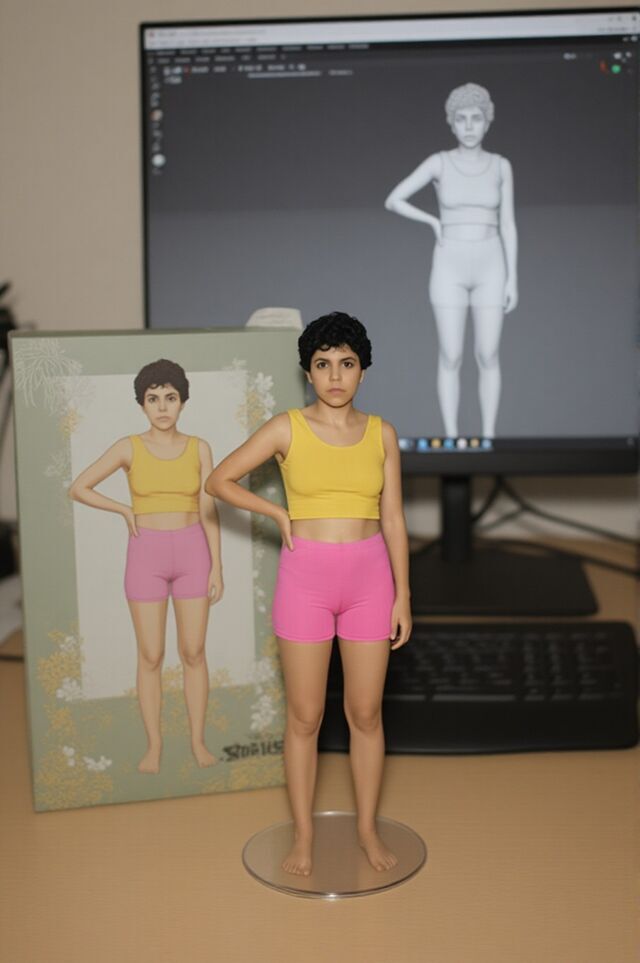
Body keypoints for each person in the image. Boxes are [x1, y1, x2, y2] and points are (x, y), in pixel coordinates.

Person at [206, 312, 411, 876]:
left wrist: (403, 595)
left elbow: (393, 518)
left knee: (365, 713)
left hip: (371, 580)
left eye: (347, 363)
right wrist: (276, 512)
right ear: (307, 372)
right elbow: (218, 480)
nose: (335, 375)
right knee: (304, 716)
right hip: (306, 581)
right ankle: (303, 834)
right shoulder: (286, 428)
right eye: (323, 364)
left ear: (363, 370)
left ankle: (366, 828)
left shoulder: (382, 433)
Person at [69, 359, 223, 774]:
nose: (162, 406)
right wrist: (123, 509)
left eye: (170, 397)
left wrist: (217, 566)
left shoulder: (199, 448)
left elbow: (208, 508)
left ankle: (197, 741)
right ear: (141, 404)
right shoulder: (128, 447)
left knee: (193, 651)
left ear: (183, 401)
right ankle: (154, 745)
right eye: (153, 399)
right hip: (146, 554)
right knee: (151, 654)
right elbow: (79, 487)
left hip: (193, 553)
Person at [385, 82, 518, 438]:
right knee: (451, 355)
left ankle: (488, 437)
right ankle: (452, 438)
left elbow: (508, 224)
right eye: (462, 118)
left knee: (488, 354)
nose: (469, 126)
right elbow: (394, 199)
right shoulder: (439, 163)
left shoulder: (500, 166)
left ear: (487, 121)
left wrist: (512, 279)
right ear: (452, 123)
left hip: (491, 263)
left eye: (476, 118)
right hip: (449, 264)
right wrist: (432, 221)